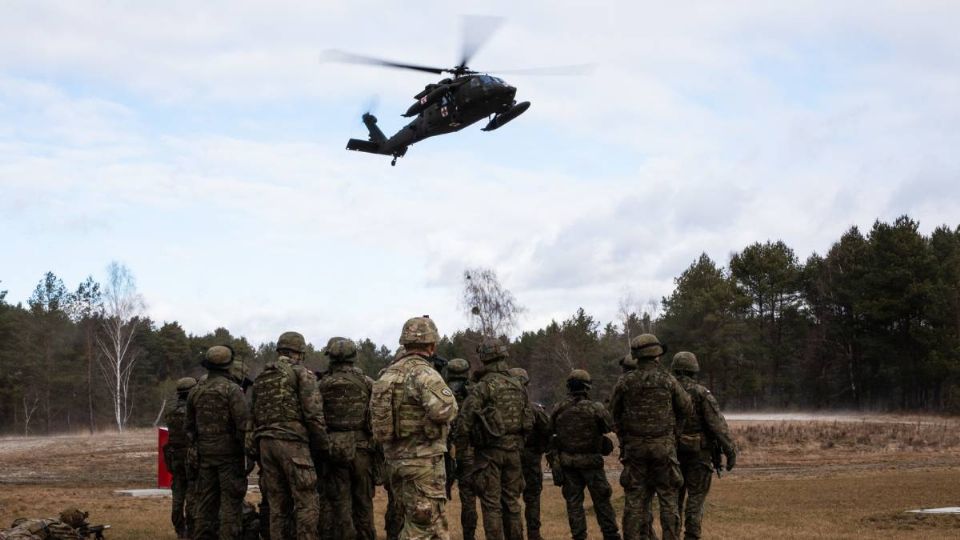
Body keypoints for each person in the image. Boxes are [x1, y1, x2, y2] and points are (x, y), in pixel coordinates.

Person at [371, 316, 458, 540]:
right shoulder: (423, 373)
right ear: (432, 345)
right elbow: (445, 409)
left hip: (395, 461)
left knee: (434, 525)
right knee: (422, 528)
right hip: (422, 462)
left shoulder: (386, 375)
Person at [609, 334, 693, 540]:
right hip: (663, 448)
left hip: (635, 449)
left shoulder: (625, 382)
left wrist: (624, 436)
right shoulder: (668, 380)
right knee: (668, 499)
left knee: (634, 501)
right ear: (656, 355)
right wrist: (674, 432)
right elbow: (686, 408)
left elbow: (612, 413)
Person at [250, 331, 327, 540]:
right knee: (306, 500)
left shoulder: (262, 378)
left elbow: (253, 414)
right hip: (292, 444)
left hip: (265, 444)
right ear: (299, 352)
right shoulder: (302, 374)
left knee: (277, 504)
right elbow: (313, 414)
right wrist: (322, 445)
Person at [457, 337, 534, 540]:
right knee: (512, 503)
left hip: (489, 455)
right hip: (514, 452)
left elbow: (464, 421)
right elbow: (528, 420)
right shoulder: (519, 386)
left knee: (492, 505)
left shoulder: (483, 386)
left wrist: (461, 452)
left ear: (484, 358)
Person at [186, 345, 252, 540]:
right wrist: (247, 454)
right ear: (228, 365)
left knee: (205, 506)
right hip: (229, 458)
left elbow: (189, 427)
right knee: (231, 506)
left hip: (205, 456)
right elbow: (242, 425)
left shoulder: (195, 391)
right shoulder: (232, 390)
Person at [671, 352, 737, 540]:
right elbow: (718, 426)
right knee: (696, 499)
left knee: (673, 501)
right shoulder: (701, 393)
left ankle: (671, 535)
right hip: (698, 456)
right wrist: (730, 451)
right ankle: (691, 536)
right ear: (694, 370)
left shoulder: (668, 391)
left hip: (671, 454)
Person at [551, 369, 621, 540]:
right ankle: (611, 535)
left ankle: (579, 536)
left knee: (574, 504)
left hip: (568, 464)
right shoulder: (594, 407)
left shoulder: (559, 408)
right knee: (602, 502)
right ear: (587, 387)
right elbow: (609, 426)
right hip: (591, 464)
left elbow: (550, 430)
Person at [318, 337, 376, 540]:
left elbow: (316, 417)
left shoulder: (322, 384)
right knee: (364, 501)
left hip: (334, 449)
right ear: (354, 358)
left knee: (340, 502)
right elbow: (375, 416)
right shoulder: (368, 383)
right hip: (362, 450)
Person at [508, 367, 551, 540]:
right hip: (531, 458)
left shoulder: (503, 410)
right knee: (532, 498)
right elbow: (548, 432)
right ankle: (534, 534)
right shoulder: (534, 410)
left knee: (510, 498)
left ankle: (513, 534)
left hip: (510, 457)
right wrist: (539, 450)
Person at [447, 358, 478, 540]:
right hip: (468, 449)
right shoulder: (475, 391)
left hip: (443, 450)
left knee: (436, 495)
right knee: (468, 497)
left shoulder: (440, 389)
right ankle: (469, 535)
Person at [164, 376, 198, 539]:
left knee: (177, 496)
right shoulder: (193, 411)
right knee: (192, 496)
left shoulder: (170, 411)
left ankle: (180, 530)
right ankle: (191, 531)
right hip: (190, 458)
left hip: (174, 458)